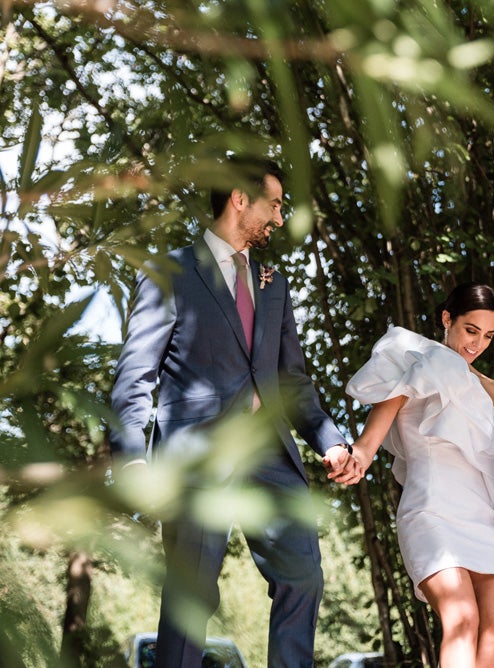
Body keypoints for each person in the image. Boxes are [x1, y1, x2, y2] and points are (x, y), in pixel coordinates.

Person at [108, 156, 361, 667]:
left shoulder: (275, 284)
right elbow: (135, 377)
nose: (280, 217)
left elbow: (292, 380)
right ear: (240, 199)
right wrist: (133, 456)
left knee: (303, 574)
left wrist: (331, 441)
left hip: (271, 453)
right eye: (276, 203)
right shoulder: (169, 271)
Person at [340, 282, 494, 668]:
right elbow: (373, 435)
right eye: (471, 330)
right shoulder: (418, 365)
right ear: (447, 319)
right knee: (462, 620)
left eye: (488, 335)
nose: (478, 343)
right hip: (432, 512)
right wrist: (358, 456)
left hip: (486, 523)